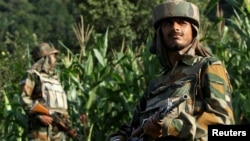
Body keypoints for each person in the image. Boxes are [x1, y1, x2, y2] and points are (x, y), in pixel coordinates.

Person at [108, 0, 235, 141]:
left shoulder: (208, 67)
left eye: (182, 22)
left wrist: (171, 127)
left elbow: (224, 126)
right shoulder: (155, 85)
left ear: (193, 30)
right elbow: (132, 127)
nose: (175, 28)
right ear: (160, 33)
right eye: (168, 23)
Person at [20, 42, 71, 141]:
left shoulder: (54, 77)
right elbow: (24, 98)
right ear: (46, 58)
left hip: (58, 128)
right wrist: (38, 116)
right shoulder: (32, 74)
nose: (56, 59)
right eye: (54, 56)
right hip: (41, 128)